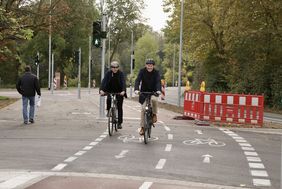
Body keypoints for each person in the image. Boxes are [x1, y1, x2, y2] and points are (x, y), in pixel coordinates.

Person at [134, 59, 161, 135]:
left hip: (153, 92)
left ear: (153, 66)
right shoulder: (142, 71)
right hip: (144, 93)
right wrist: (136, 89)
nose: (149, 66)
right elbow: (137, 80)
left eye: (151, 65)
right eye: (148, 65)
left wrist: (158, 90)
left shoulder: (156, 72)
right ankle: (142, 128)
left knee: (154, 100)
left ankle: (154, 114)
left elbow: (158, 81)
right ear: (146, 65)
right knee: (143, 109)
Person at [100, 61, 126, 129]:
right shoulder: (108, 73)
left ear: (118, 68)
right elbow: (104, 81)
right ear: (111, 68)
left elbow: (123, 82)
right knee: (109, 99)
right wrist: (101, 90)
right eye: (113, 67)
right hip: (110, 90)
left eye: (116, 67)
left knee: (119, 106)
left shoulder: (121, 74)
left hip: (119, 91)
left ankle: (119, 123)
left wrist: (123, 91)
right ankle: (109, 111)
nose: (114, 69)